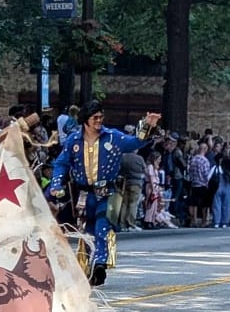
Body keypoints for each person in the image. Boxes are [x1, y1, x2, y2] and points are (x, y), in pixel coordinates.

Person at [47, 101, 161, 286]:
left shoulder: (112, 137)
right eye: (95, 118)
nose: (99, 121)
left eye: (101, 117)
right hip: (83, 193)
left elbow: (135, 142)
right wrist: (56, 183)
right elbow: (62, 163)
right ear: (86, 120)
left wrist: (148, 125)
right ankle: (88, 265)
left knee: (103, 225)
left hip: (108, 191)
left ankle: (100, 264)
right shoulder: (73, 140)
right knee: (87, 230)